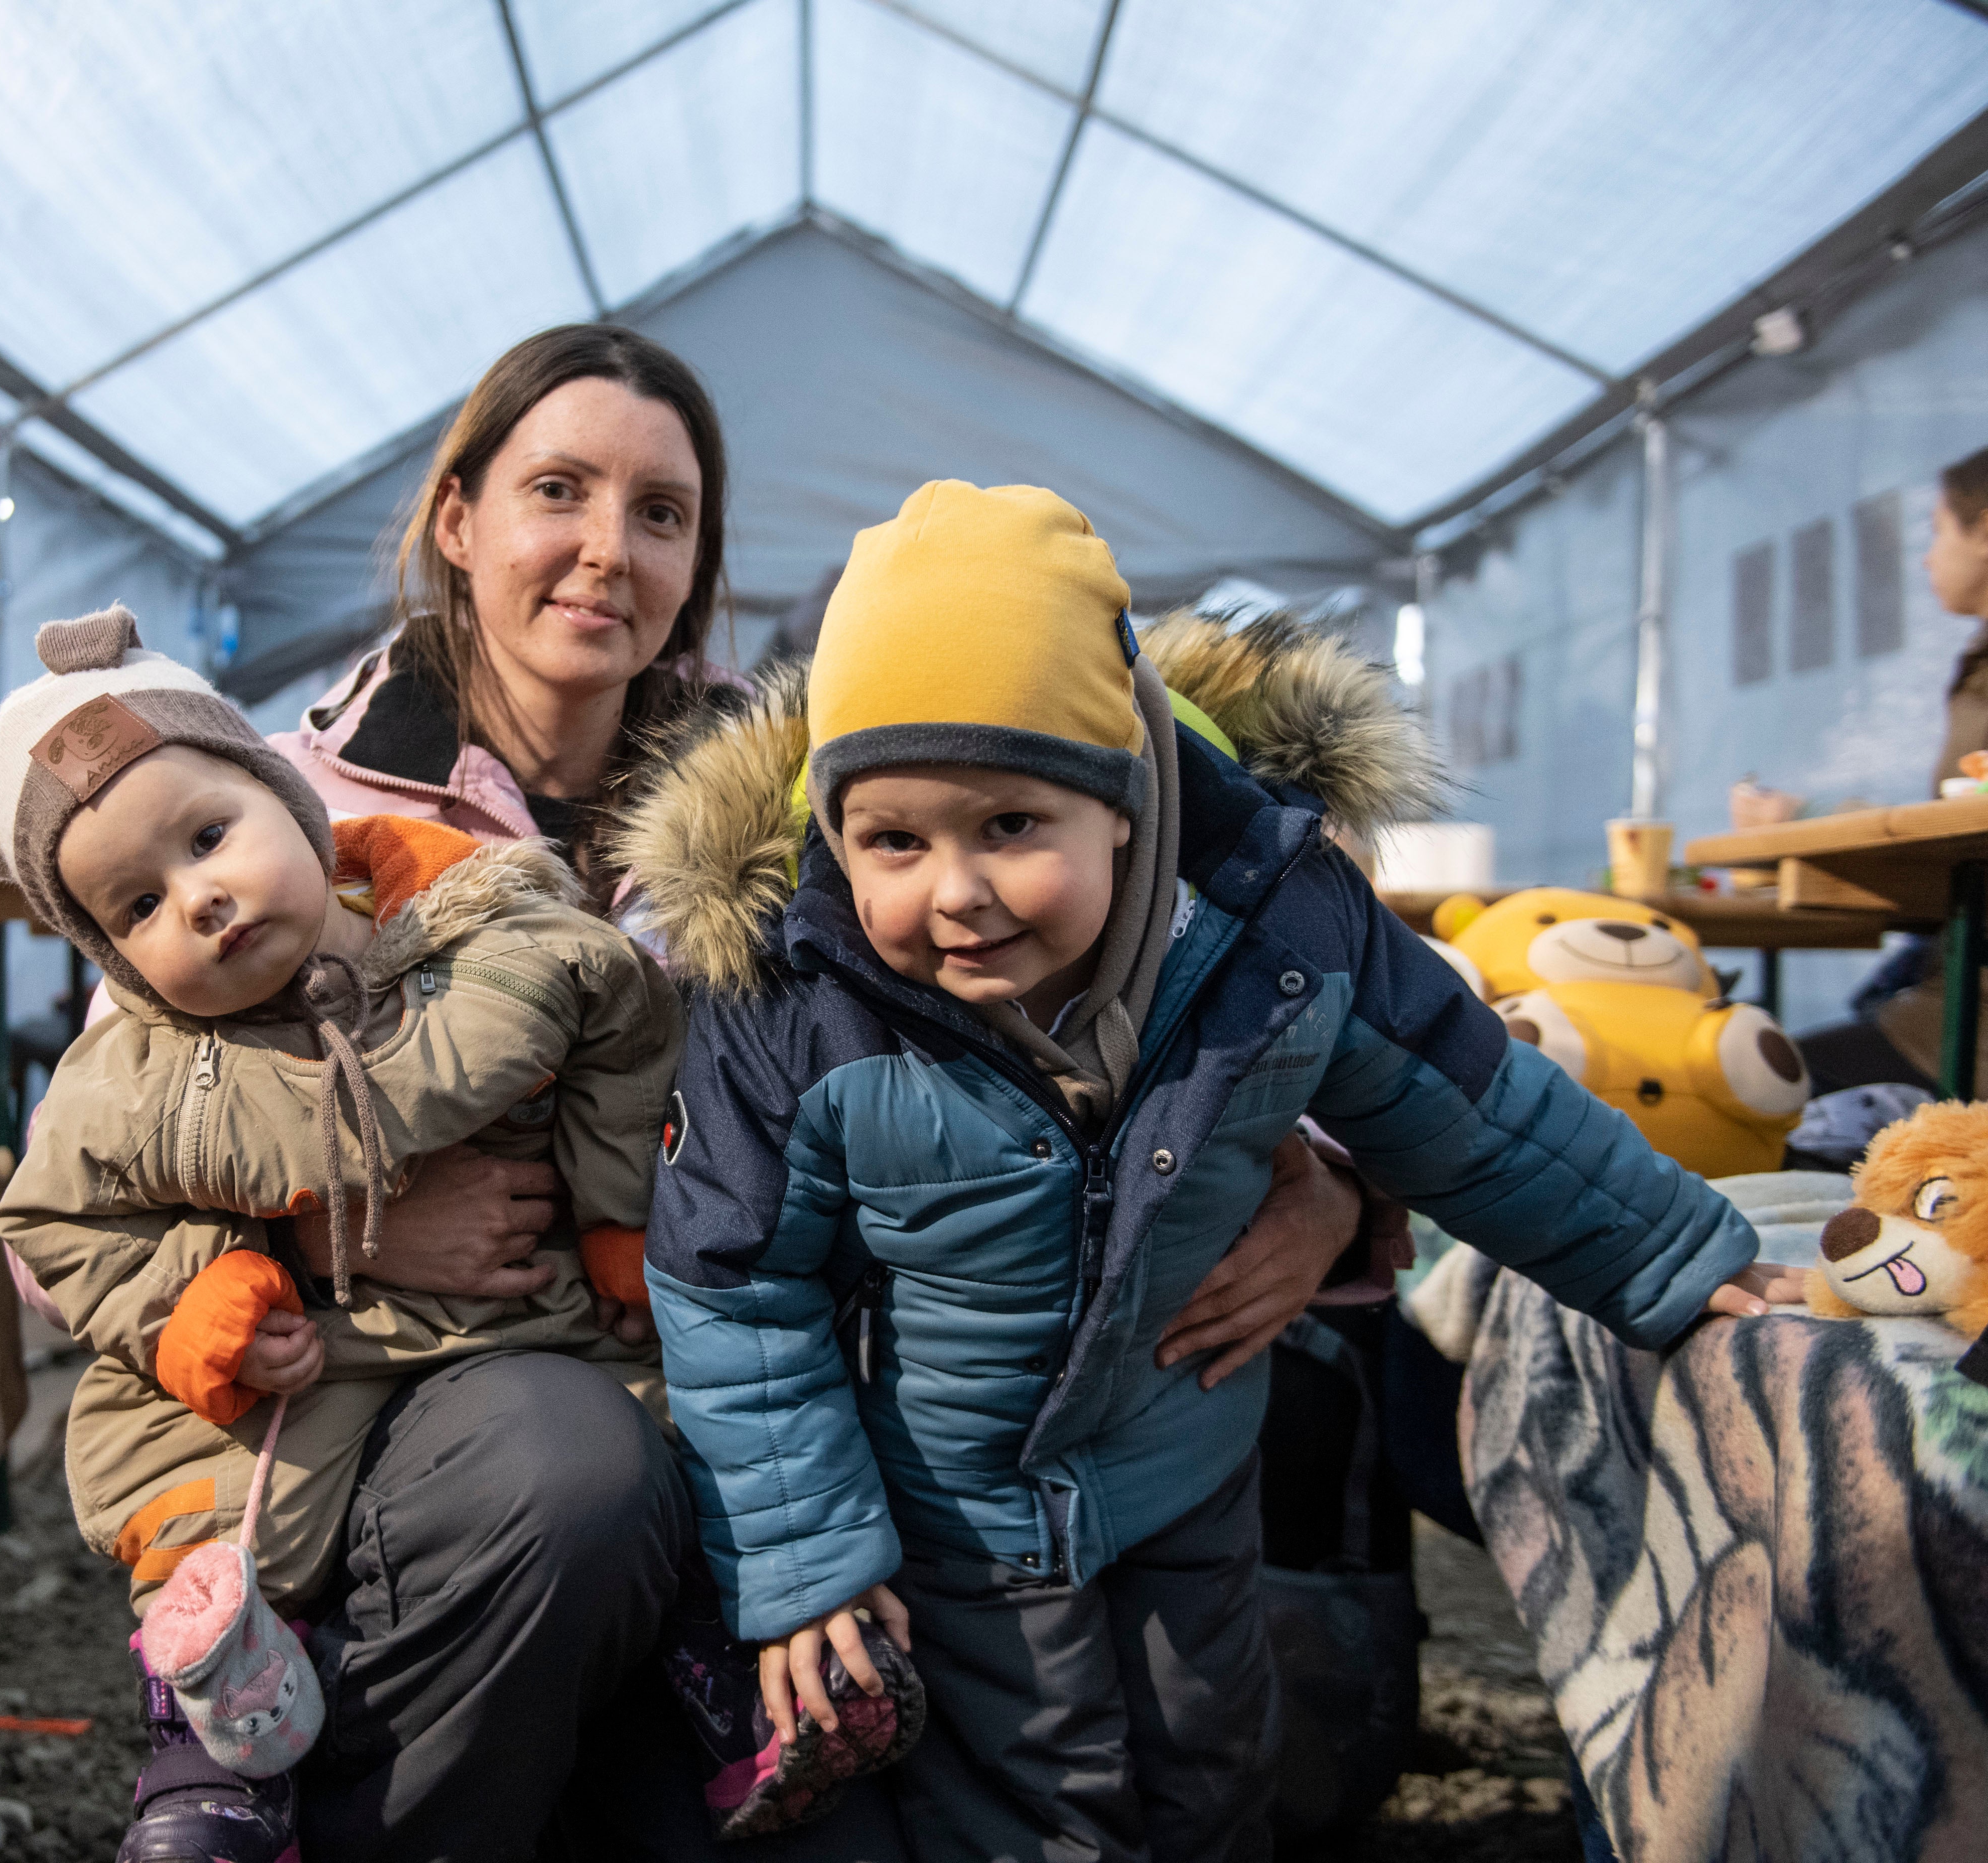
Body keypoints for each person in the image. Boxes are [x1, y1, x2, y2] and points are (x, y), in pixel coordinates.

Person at [70, 324, 1362, 1860]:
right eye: (561, 490)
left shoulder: (803, 793)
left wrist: (1325, 1169)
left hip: (765, 1434)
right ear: (459, 519)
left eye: (663, 513)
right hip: (445, 1432)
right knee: (568, 1471)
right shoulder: (266, 812)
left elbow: (1141, 940)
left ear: (701, 562)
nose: (608, 551)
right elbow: (91, 1178)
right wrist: (331, 1235)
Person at [631, 480, 1799, 1860]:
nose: (955, 890)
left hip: (1186, 1470)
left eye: (1010, 826)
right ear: (833, 831)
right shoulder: (797, 1001)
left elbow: (1474, 1109)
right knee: (1031, 1807)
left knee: (1215, 1769)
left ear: (1127, 799)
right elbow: (732, 1284)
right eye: (894, 838)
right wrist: (810, 1566)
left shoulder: (1273, 932)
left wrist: (1682, 1263)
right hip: (957, 1517)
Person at [0, 609, 689, 1860]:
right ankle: (209, 1747)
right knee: (222, 1512)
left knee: (646, 1430)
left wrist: (616, 1215)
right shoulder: (146, 1068)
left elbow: (624, 1028)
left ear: (290, 801)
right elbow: (54, 1218)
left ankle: (686, 1658)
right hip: (306, 1359)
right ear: (112, 955)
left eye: (211, 839)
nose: (204, 897)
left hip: (520, 1326)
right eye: (142, 903)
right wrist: (209, 1291)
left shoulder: (471, 927)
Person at [1795, 444, 1988, 1097]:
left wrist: (1808, 823)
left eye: (1938, 531)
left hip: (1966, 1023)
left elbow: (1960, 828)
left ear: (1984, 531)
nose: (1928, 557)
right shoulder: (1975, 662)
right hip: (1943, 990)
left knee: (1756, 1092)